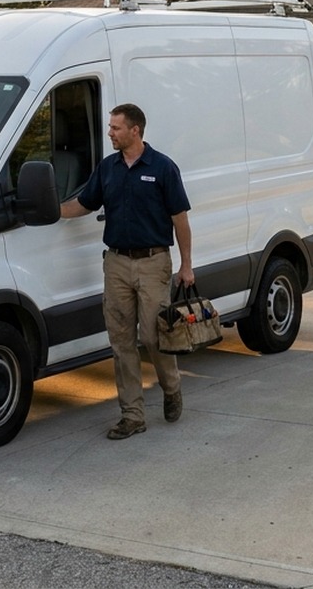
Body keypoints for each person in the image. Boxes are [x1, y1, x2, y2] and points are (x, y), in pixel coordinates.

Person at [60, 103, 192, 440]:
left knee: (153, 336)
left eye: (115, 128)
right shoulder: (107, 168)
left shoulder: (163, 168)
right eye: (110, 127)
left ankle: (172, 386)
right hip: (116, 263)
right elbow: (84, 204)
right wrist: (51, 210)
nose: (110, 133)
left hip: (153, 262)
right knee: (121, 342)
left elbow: (180, 219)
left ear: (135, 130)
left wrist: (186, 266)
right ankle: (132, 416)